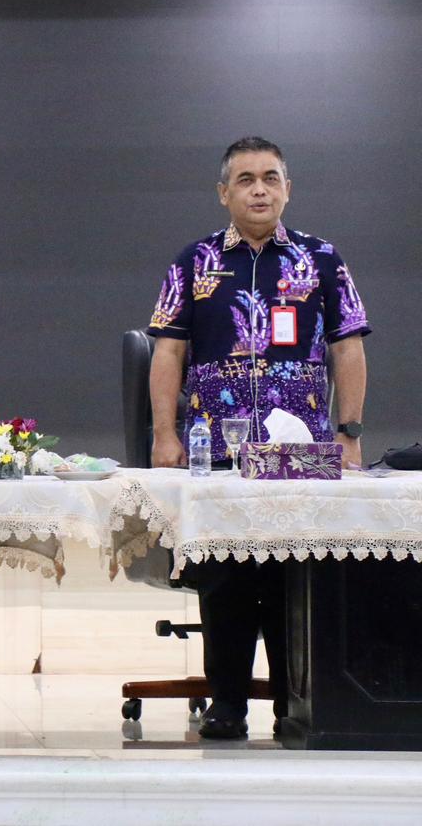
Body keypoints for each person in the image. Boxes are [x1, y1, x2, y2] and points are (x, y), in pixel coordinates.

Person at [146, 137, 370, 740]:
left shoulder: (322, 258)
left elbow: (348, 348)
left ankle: (295, 704)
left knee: (292, 574)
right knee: (226, 576)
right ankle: (227, 704)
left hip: (302, 453)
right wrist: (164, 433)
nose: (259, 190)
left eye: (271, 178)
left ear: (287, 189)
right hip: (215, 450)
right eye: (245, 180)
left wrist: (349, 433)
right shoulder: (193, 261)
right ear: (224, 193)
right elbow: (168, 351)